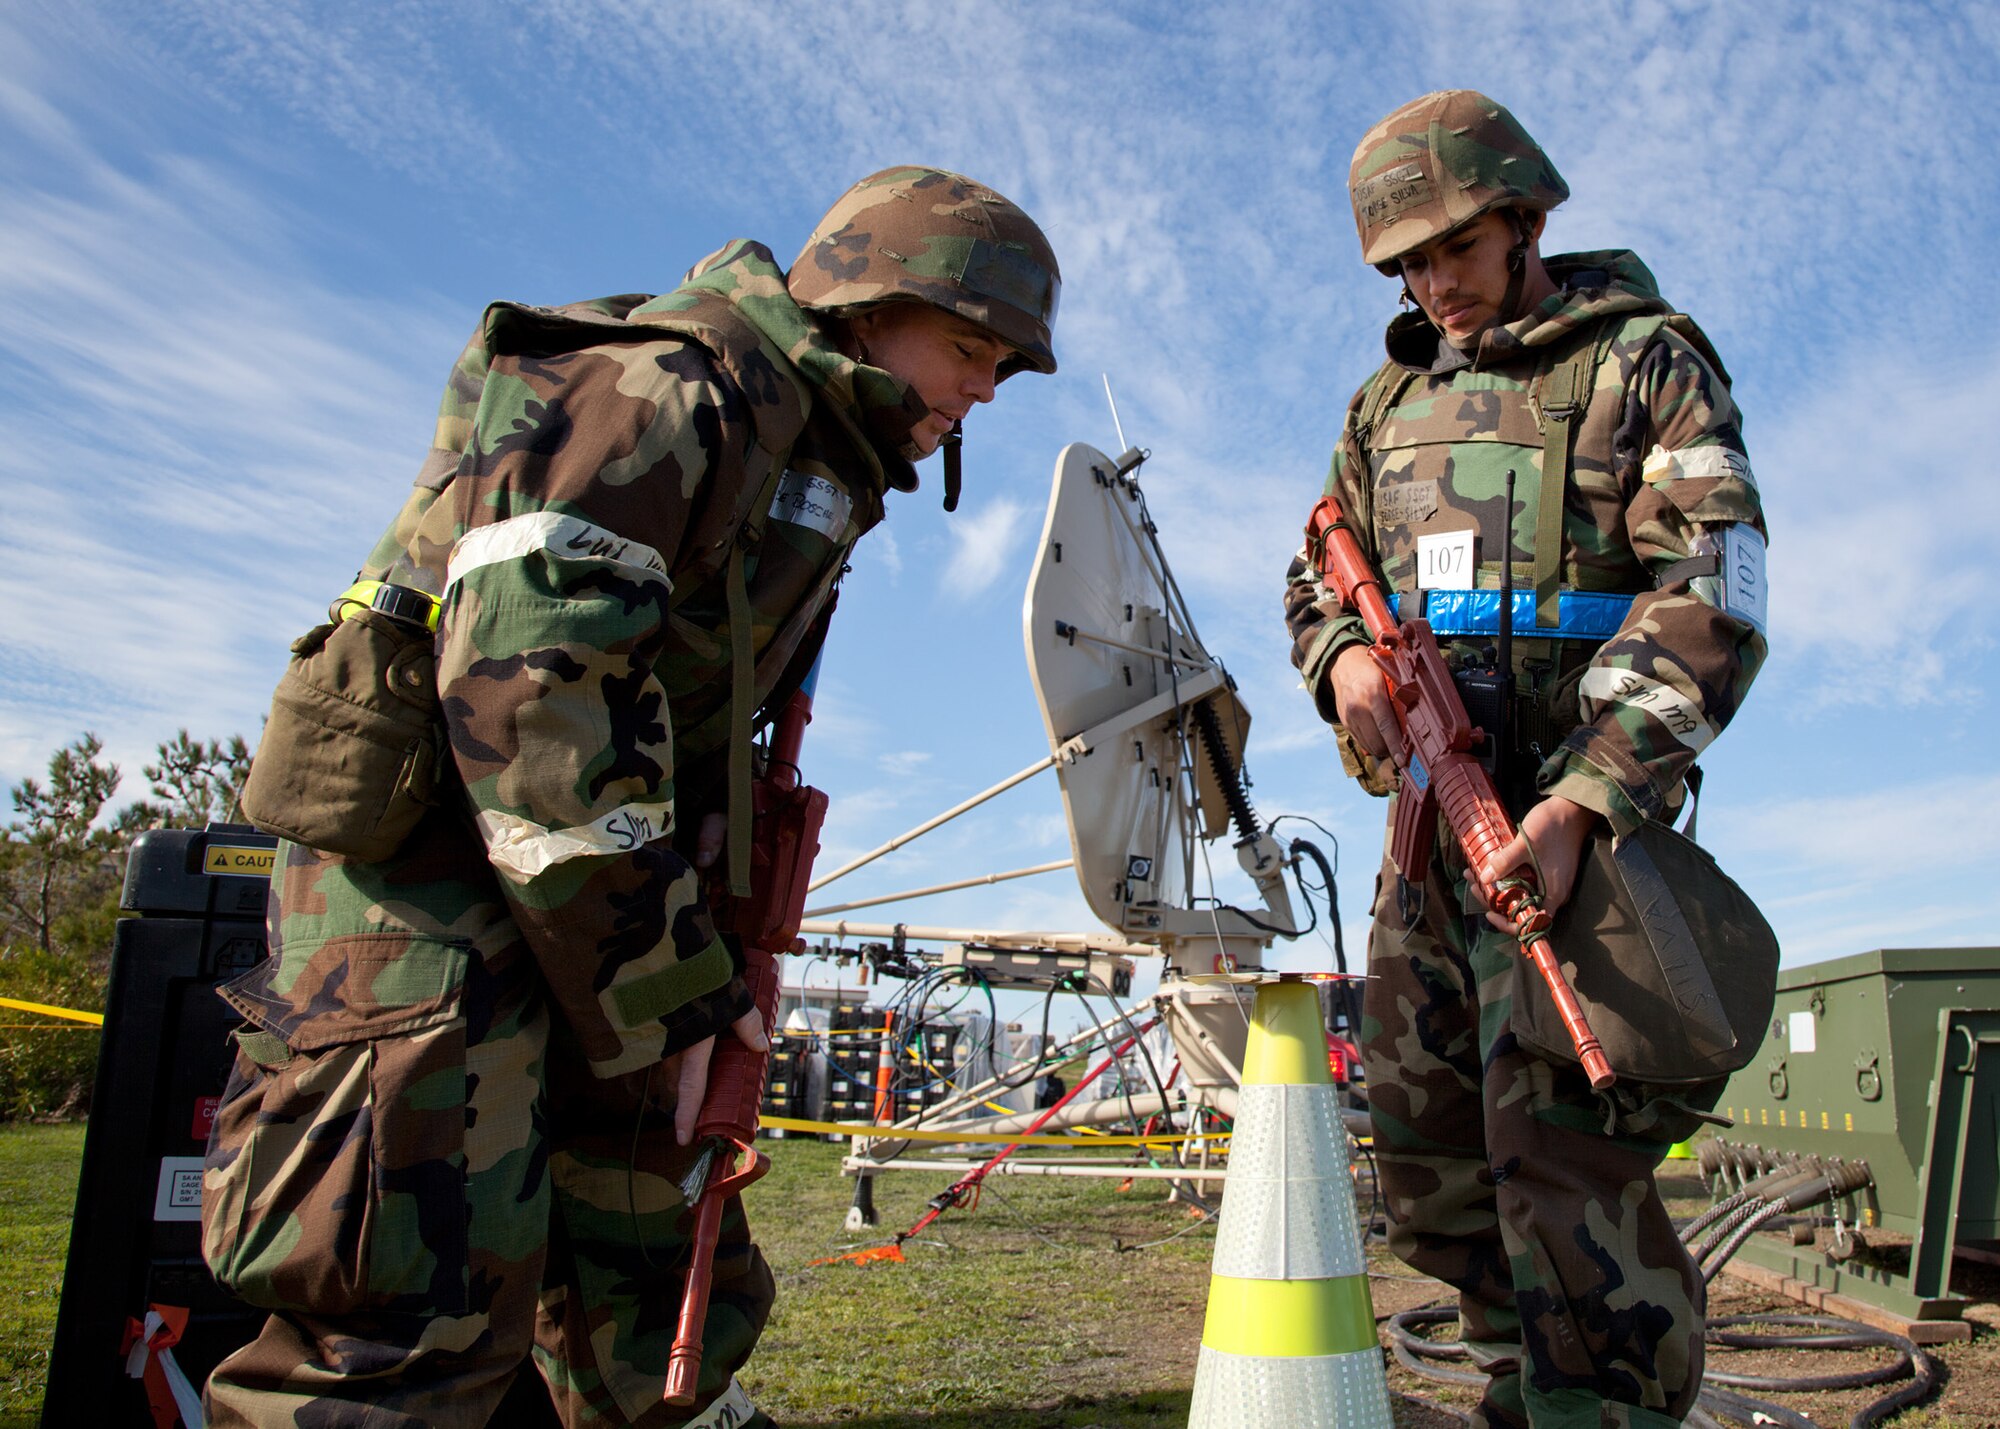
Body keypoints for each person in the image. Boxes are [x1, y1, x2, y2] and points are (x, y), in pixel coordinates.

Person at [202, 165, 1061, 1429]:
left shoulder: (789, 436)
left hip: (585, 910)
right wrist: (671, 1001)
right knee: (398, 1324)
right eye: (970, 347)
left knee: (643, 1275)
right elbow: (527, 707)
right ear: (868, 307)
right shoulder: (664, 387)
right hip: (440, 912)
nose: (982, 389)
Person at [1284, 92, 1768, 1428]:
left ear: (1524, 218)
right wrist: (1346, 661)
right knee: (1433, 1159)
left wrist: (1584, 796)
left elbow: (1717, 587)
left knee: (1567, 1167)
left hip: (1577, 850)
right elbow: (1315, 568)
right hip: (1427, 853)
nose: (1432, 282)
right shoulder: (1386, 403)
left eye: (1454, 248)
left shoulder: (1640, 363)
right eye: (1406, 264)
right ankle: (1510, 1386)